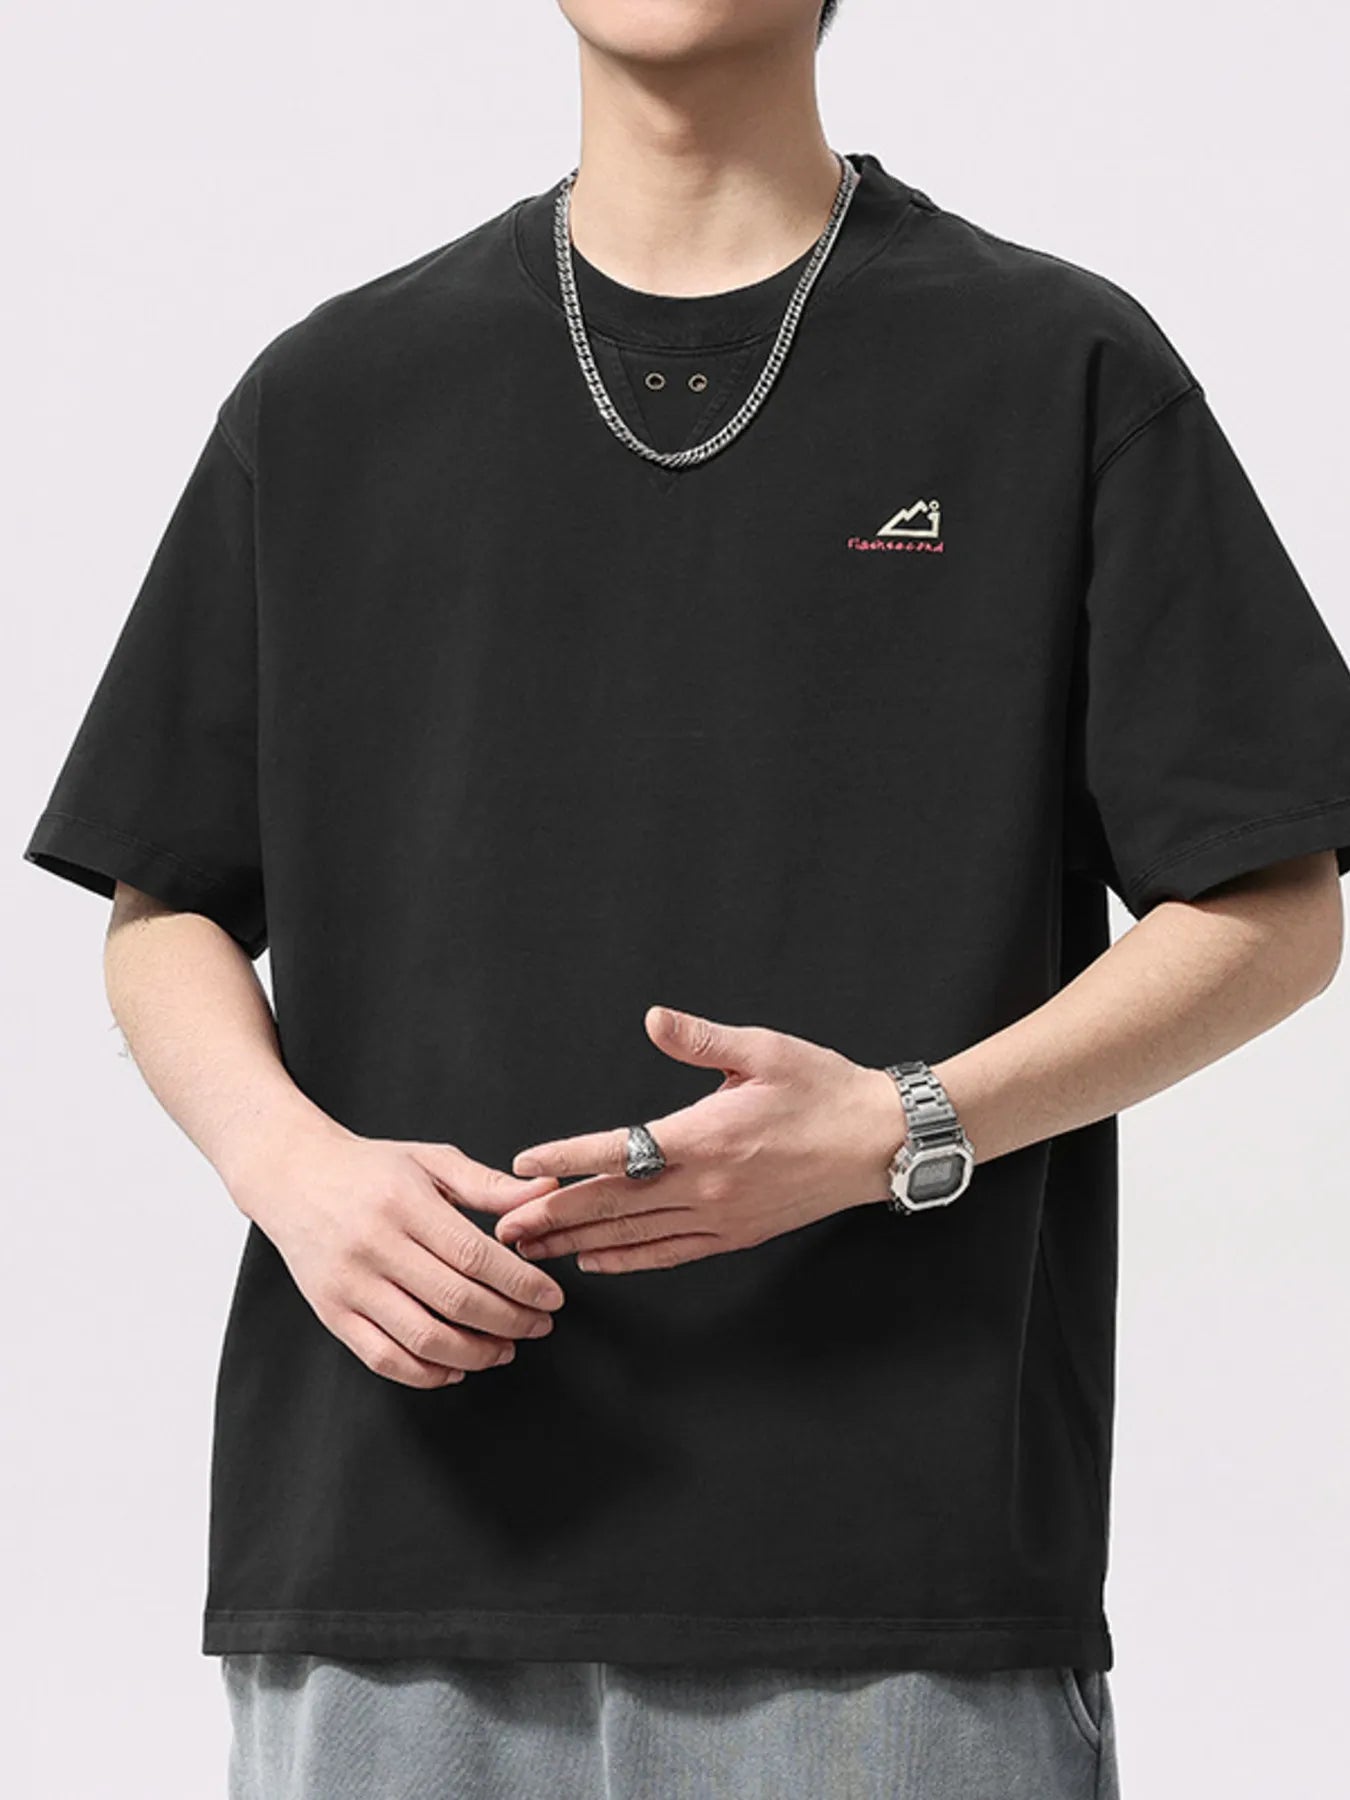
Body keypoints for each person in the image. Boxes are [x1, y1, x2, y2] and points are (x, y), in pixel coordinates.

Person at [21, 1, 1350, 1795]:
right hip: (393, 1539)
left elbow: (1272, 898)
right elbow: (164, 895)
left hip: (892, 1574)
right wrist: (291, 1169)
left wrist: (899, 1125)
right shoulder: (335, 391)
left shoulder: (1054, 365)